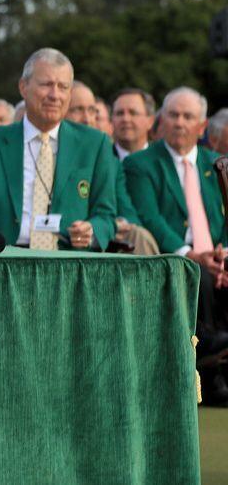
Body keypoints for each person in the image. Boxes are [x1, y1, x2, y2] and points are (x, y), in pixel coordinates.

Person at [0, 48, 118, 251]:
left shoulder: (95, 144)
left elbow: (106, 215)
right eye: (46, 85)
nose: (55, 95)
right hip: (1, 258)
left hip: (67, 261)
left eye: (63, 87)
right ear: (23, 87)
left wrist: (91, 230)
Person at [124, 87, 228, 388]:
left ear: (202, 126)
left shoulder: (217, 164)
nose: (179, 122)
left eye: (187, 116)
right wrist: (189, 253)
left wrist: (221, 255)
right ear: (160, 120)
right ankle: (207, 364)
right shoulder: (140, 164)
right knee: (196, 274)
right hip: (174, 258)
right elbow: (149, 218)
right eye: (173, 115)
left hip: (217, 257)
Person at [65, 88, 159, 256]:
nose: (87, 119)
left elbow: (126, 210)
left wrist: (117, 224)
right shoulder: (53, 152)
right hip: (64, 239)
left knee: (139, 235)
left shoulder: (110, 162)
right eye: (77, 110)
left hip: (102, 238)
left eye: (92, 111)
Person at [111, 88, 155, 160]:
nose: (125, 119)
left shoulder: (163, 161)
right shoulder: (100, 160)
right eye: (120, 113)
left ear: (150, 121)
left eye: (133, 113)